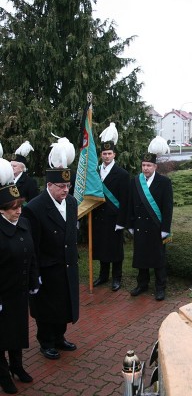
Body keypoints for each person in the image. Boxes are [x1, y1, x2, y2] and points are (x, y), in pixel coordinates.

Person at [23, 141, 79, 361]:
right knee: (47, 308)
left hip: (67, 265)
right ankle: (46, 342)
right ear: (49, 185)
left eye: (68, 186)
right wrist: (34, 274)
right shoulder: (34, 208)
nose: (65, 190)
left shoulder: (72, 203)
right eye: (61, 186)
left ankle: (59, 337)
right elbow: (33, 246)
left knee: (64, 304)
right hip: (47, 268)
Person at [0, 159, 39, 394]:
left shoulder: (23, 223)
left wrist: (34, 280)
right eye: (13, 208)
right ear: (1, 210)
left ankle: (17, 366)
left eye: (20, 206)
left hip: (19, 291)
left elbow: (31, 255)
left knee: (17, 331)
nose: (19, 211)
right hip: (2, 294)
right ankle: (3, 375)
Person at [129, 151, 173, 301]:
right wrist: (131, 224)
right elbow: (131, 203)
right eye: (143, 165)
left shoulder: (164, 182)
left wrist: (165, 229)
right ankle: (142, 284)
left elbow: (168, 208)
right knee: (141, 256)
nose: (146, 168)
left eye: (149, 165)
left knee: (158, 258)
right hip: (140, 225)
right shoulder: (136, 181)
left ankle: (160, 287)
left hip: (156, 227)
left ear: (155, 166)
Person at [92, 123, 130, 292]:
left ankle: (116, 277)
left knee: (115, 250)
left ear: (114, 154)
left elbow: (125, 200)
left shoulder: (122, 174)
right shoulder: (95, 172)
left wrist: (122, 221)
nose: (107, 156)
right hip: (99, 216)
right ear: (101, 155)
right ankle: (103, 275)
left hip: (114, 218)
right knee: (101, 247)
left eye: (109, 153)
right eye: (104, 153)